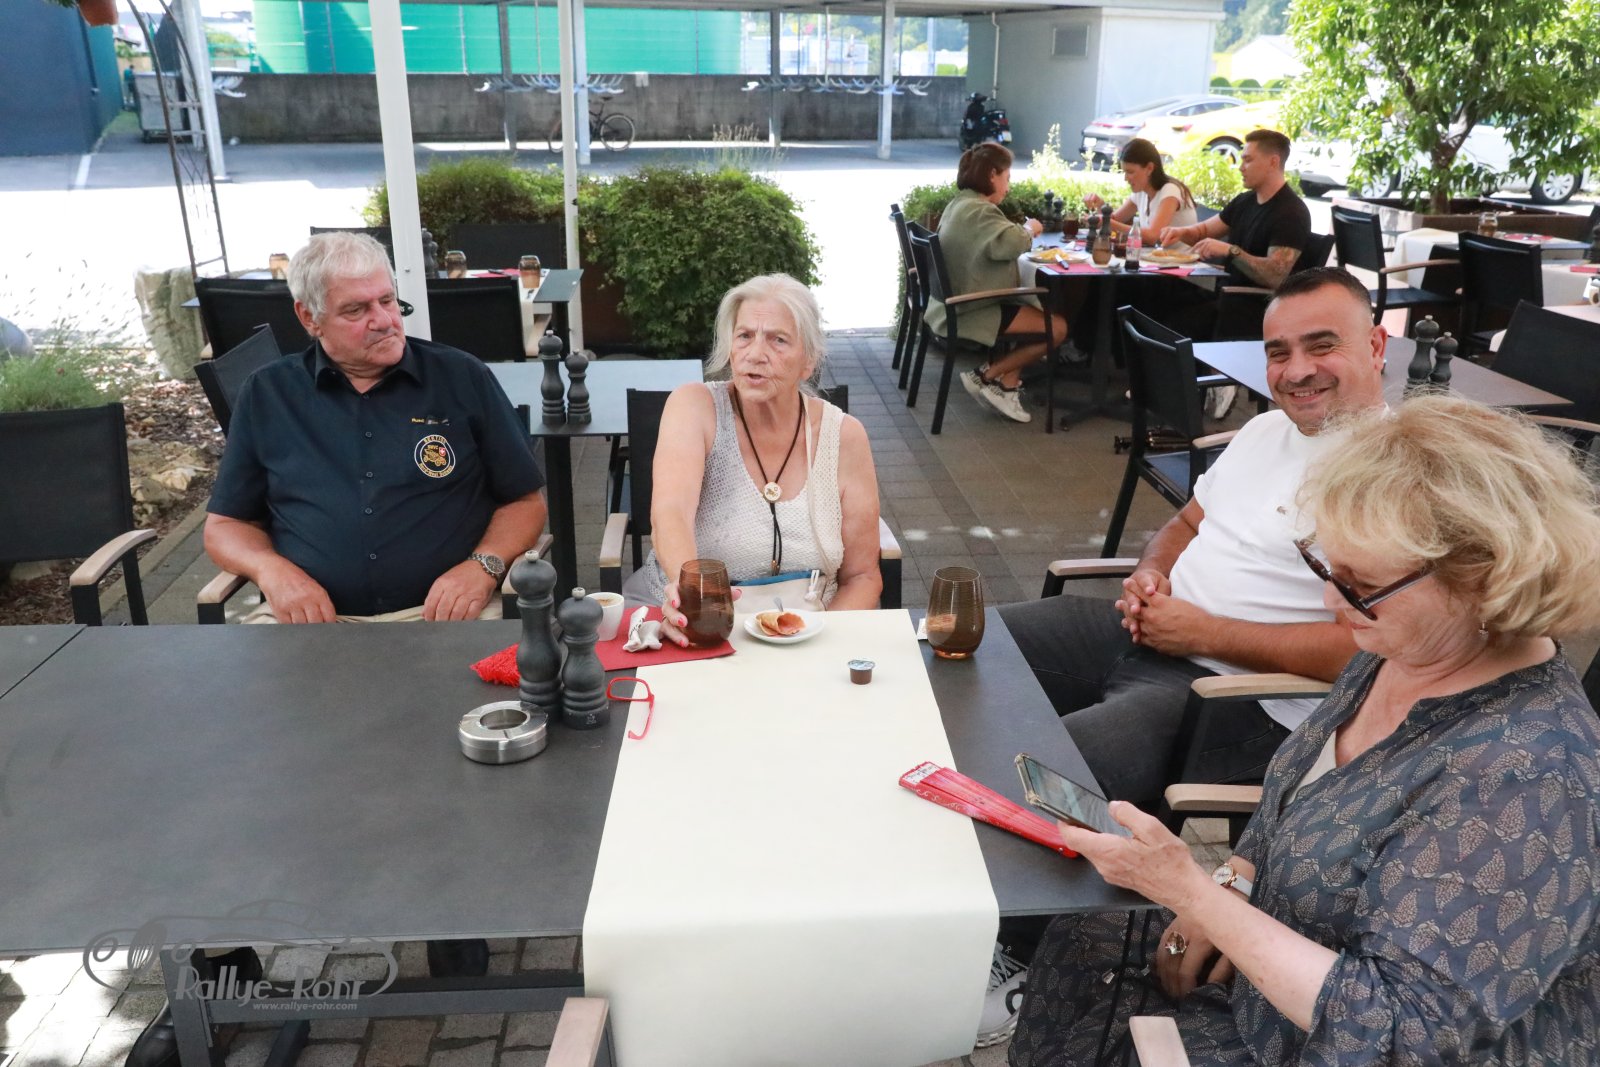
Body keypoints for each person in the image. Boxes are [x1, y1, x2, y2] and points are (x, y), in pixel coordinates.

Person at [1011, 394, 1600, 1066]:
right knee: (1083, 933)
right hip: (1276, 955)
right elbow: (1290, 797)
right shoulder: (1403, 648)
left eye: (1358, 584)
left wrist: (1192, 893)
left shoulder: (1529, 775)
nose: (1329, 601)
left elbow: (1402, 1035)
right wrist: (1229, 883)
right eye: (1325, 568)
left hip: (1334, 1037)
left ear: (1483, 580)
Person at [979, 267, 1387, 1047]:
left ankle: (1023, 954)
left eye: (1321, 345)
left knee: (1052, 776)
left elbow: (1360, 651)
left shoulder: (1391, 475)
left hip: (1237, 696)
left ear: (1375, 346)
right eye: (1279, 351)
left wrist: (1200, 632)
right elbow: (1189, 521)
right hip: (1155, 633)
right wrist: (1149, 574)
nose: (1296, 370)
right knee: (972, 644)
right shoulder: (1267, 430)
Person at [204, 232, 548, 624]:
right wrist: (271, 570)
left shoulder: (461, 377)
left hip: (451, 613)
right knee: (247, 663)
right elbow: (225, 525)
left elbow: (525, 503)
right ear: (309, 318)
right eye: (356, 310)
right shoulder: (268, 394)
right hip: (309, 620)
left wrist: (482, 566)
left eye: (387, 300)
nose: (384, 321)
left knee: (512, 660)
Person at [636, 273, 882, 645]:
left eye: (778, 340)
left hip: (811, 627)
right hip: (697, 622)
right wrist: (693, 597)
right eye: (745, 336)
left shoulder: (845, 437)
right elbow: (670, 512)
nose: (755, 354)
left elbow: (862, 577)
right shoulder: (694, 407)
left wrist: (816, 645)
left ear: (808, 361)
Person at [925, 143, 1055, 425]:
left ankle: (1006, 385)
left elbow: (995, 244)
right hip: (971, 309)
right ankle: (986, 376)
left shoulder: (960, 204)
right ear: (992, 175)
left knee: (1032, 311)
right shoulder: (980, 211)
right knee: (1057, 327)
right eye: (1007, 177)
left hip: (952, 304)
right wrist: (1030, 228)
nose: (1008, 186)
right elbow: (1012, 243)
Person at [1158, 128, 1310, 290]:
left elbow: (1275, 276)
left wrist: (1231, 251)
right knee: (1154, 286)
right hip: (1224, 291)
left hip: (1248, 301)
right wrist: (1180, 232)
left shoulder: (1291, 213)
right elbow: (1203, 231)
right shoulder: (1244, 201)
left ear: (1273, 162)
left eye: (1248, 160)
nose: (1241, 167)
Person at [1083, 137, 1199, 247]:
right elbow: (1115, 220)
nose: (1126, 178)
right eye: (1124, 172)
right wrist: (1100, 205)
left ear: (1149, 168)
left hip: (1183, 259)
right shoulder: (1141, 191)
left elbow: (1153, 236)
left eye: (1130, 172)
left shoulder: (1170, 190)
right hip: (1155, 257)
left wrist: (1107, 221)